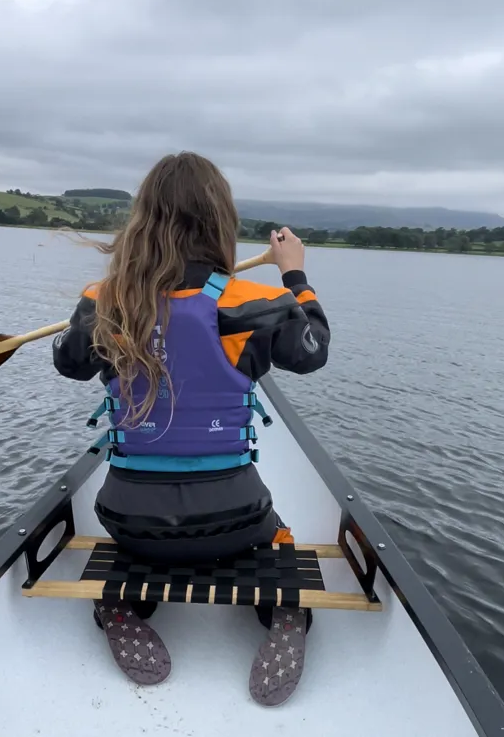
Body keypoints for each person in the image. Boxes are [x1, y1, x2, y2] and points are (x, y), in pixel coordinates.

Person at [52, 151, 330, 707]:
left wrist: (87, 316)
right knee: (277, 537)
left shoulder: (105, 302)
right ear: (218, 222)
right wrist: (293, 272)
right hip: (237, 519)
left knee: (142, 543)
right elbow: (313, 349)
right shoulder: (255, 302)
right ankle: (286, 611)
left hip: (128, 520)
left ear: (143, 221)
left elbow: (68, 361)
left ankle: (120, 606)